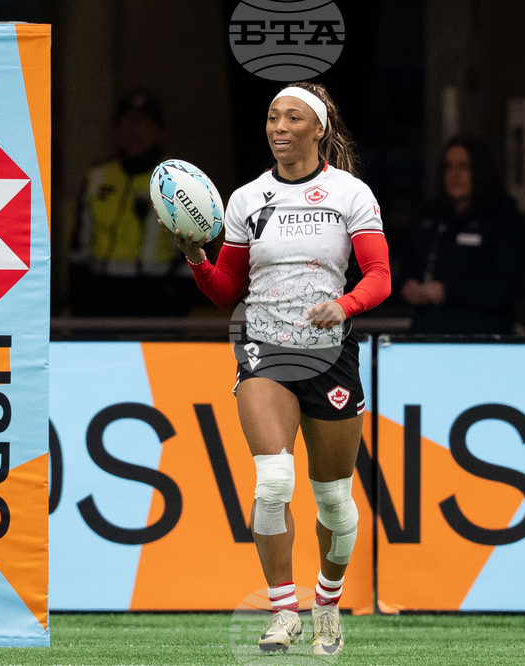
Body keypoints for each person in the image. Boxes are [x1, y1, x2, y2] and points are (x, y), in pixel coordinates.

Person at [162, 82, 390, 655]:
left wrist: (343, 305)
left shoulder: (351, 194)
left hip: (330, 355)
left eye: (293, 118)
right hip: (263, 349)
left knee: (335, 501)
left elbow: (380, 278)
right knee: (273, 480)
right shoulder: (246, 200)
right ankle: (283, 610)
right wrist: (195, 255)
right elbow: (227, 292)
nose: (279, 127)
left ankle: (327, 604)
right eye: (271, 118)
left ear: (319, 129)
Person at [70, 88, 195, 316]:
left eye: (143, 122)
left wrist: (177, 303)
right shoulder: (96, 176)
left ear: (158, 131)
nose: (134, 130)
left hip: (157, 297)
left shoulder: (179, 179)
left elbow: (197, 250)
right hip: (101, 296)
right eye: (127, 122)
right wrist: (79, 300)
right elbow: (79, 248)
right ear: (116, 130)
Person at [400, 136, 525, 334]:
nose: (454, 175)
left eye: (463, 167)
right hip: (427, 334)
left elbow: (509, 287)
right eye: (448, 167)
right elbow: (409, 264)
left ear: (479, 171)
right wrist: (408, 285)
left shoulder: (499, 215)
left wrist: (448, 291)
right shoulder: (431, 214)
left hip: (479, 336)